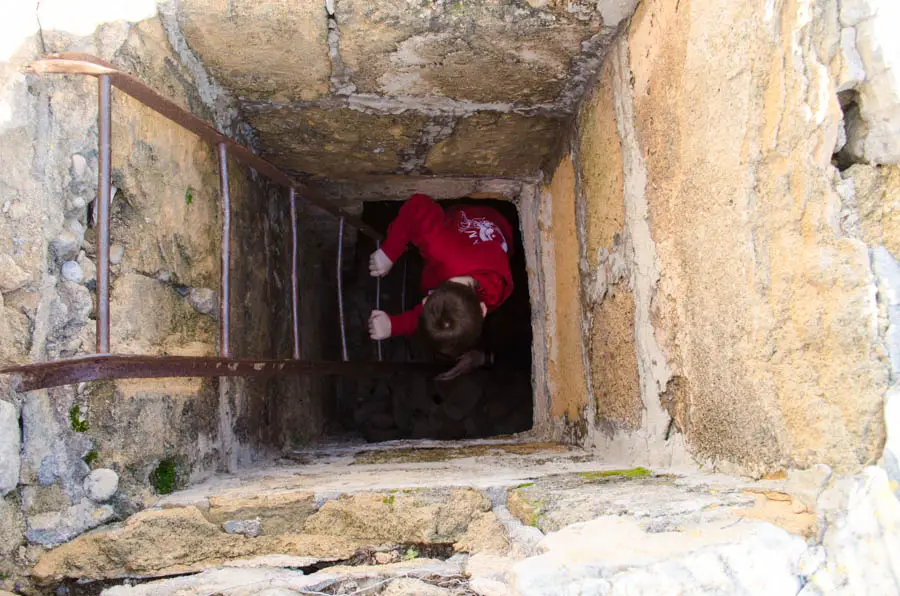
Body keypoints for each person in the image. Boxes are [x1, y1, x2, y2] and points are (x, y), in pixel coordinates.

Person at [368, 193, 514, 380]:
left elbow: (436, 312)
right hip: (469, 220)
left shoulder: (494, 292)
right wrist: (389, 251)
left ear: (483, 310)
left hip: (501, 231)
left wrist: (395, 325)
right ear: (482, 310)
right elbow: (417, 206)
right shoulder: (439, 247)